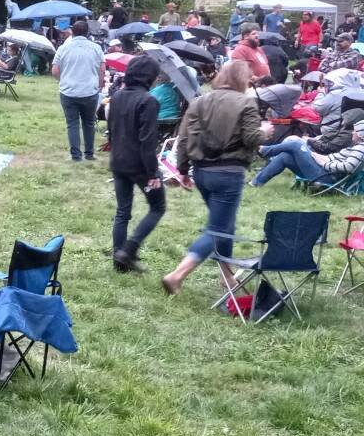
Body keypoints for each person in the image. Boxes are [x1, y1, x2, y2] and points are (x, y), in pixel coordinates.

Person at [161, 62, 264, 296]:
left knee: (225, 225)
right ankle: (177, 275)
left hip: (202, 172)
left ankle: (226, 277)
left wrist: (183, 170)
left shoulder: (199, 101)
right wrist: (265, 132)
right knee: (217, 230)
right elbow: (251, 139)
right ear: (242, 79)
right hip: (228, 172)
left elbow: (184, 138)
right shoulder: (246, 102)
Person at [107, 55, 166, 272]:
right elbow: (147, 141)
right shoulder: (149, 101)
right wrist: (153, 173)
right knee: (158, 207)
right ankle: (128, 251)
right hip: (140, 166)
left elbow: (112, 131)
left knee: (123, 211)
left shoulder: (117, 96)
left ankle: (119, 259)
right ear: (150, 77)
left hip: (119, 160)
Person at [52, 19, 104, 161]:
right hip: (90, 91)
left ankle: (75, 155)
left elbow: (55, 70)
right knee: (88, 123)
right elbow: (102, 71)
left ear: (72, 32)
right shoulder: (96, 48)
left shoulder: (63, 48)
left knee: (72, 123)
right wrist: (99, 86)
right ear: (87, 33)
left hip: (68, 91)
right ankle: (89, 153)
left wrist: (63, 80)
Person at [252, 124, 364, 188]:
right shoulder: (358, 147)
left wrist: (325, 163)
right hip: (324, 171)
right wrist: (321, 157)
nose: (352, 133)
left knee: (296, 143)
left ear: (360, 135)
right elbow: (339, 160)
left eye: (355, 131)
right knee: (285, 156)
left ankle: (265, 151)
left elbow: (349, 167)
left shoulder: (360, 148)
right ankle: (256, 183)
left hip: (326, 176)